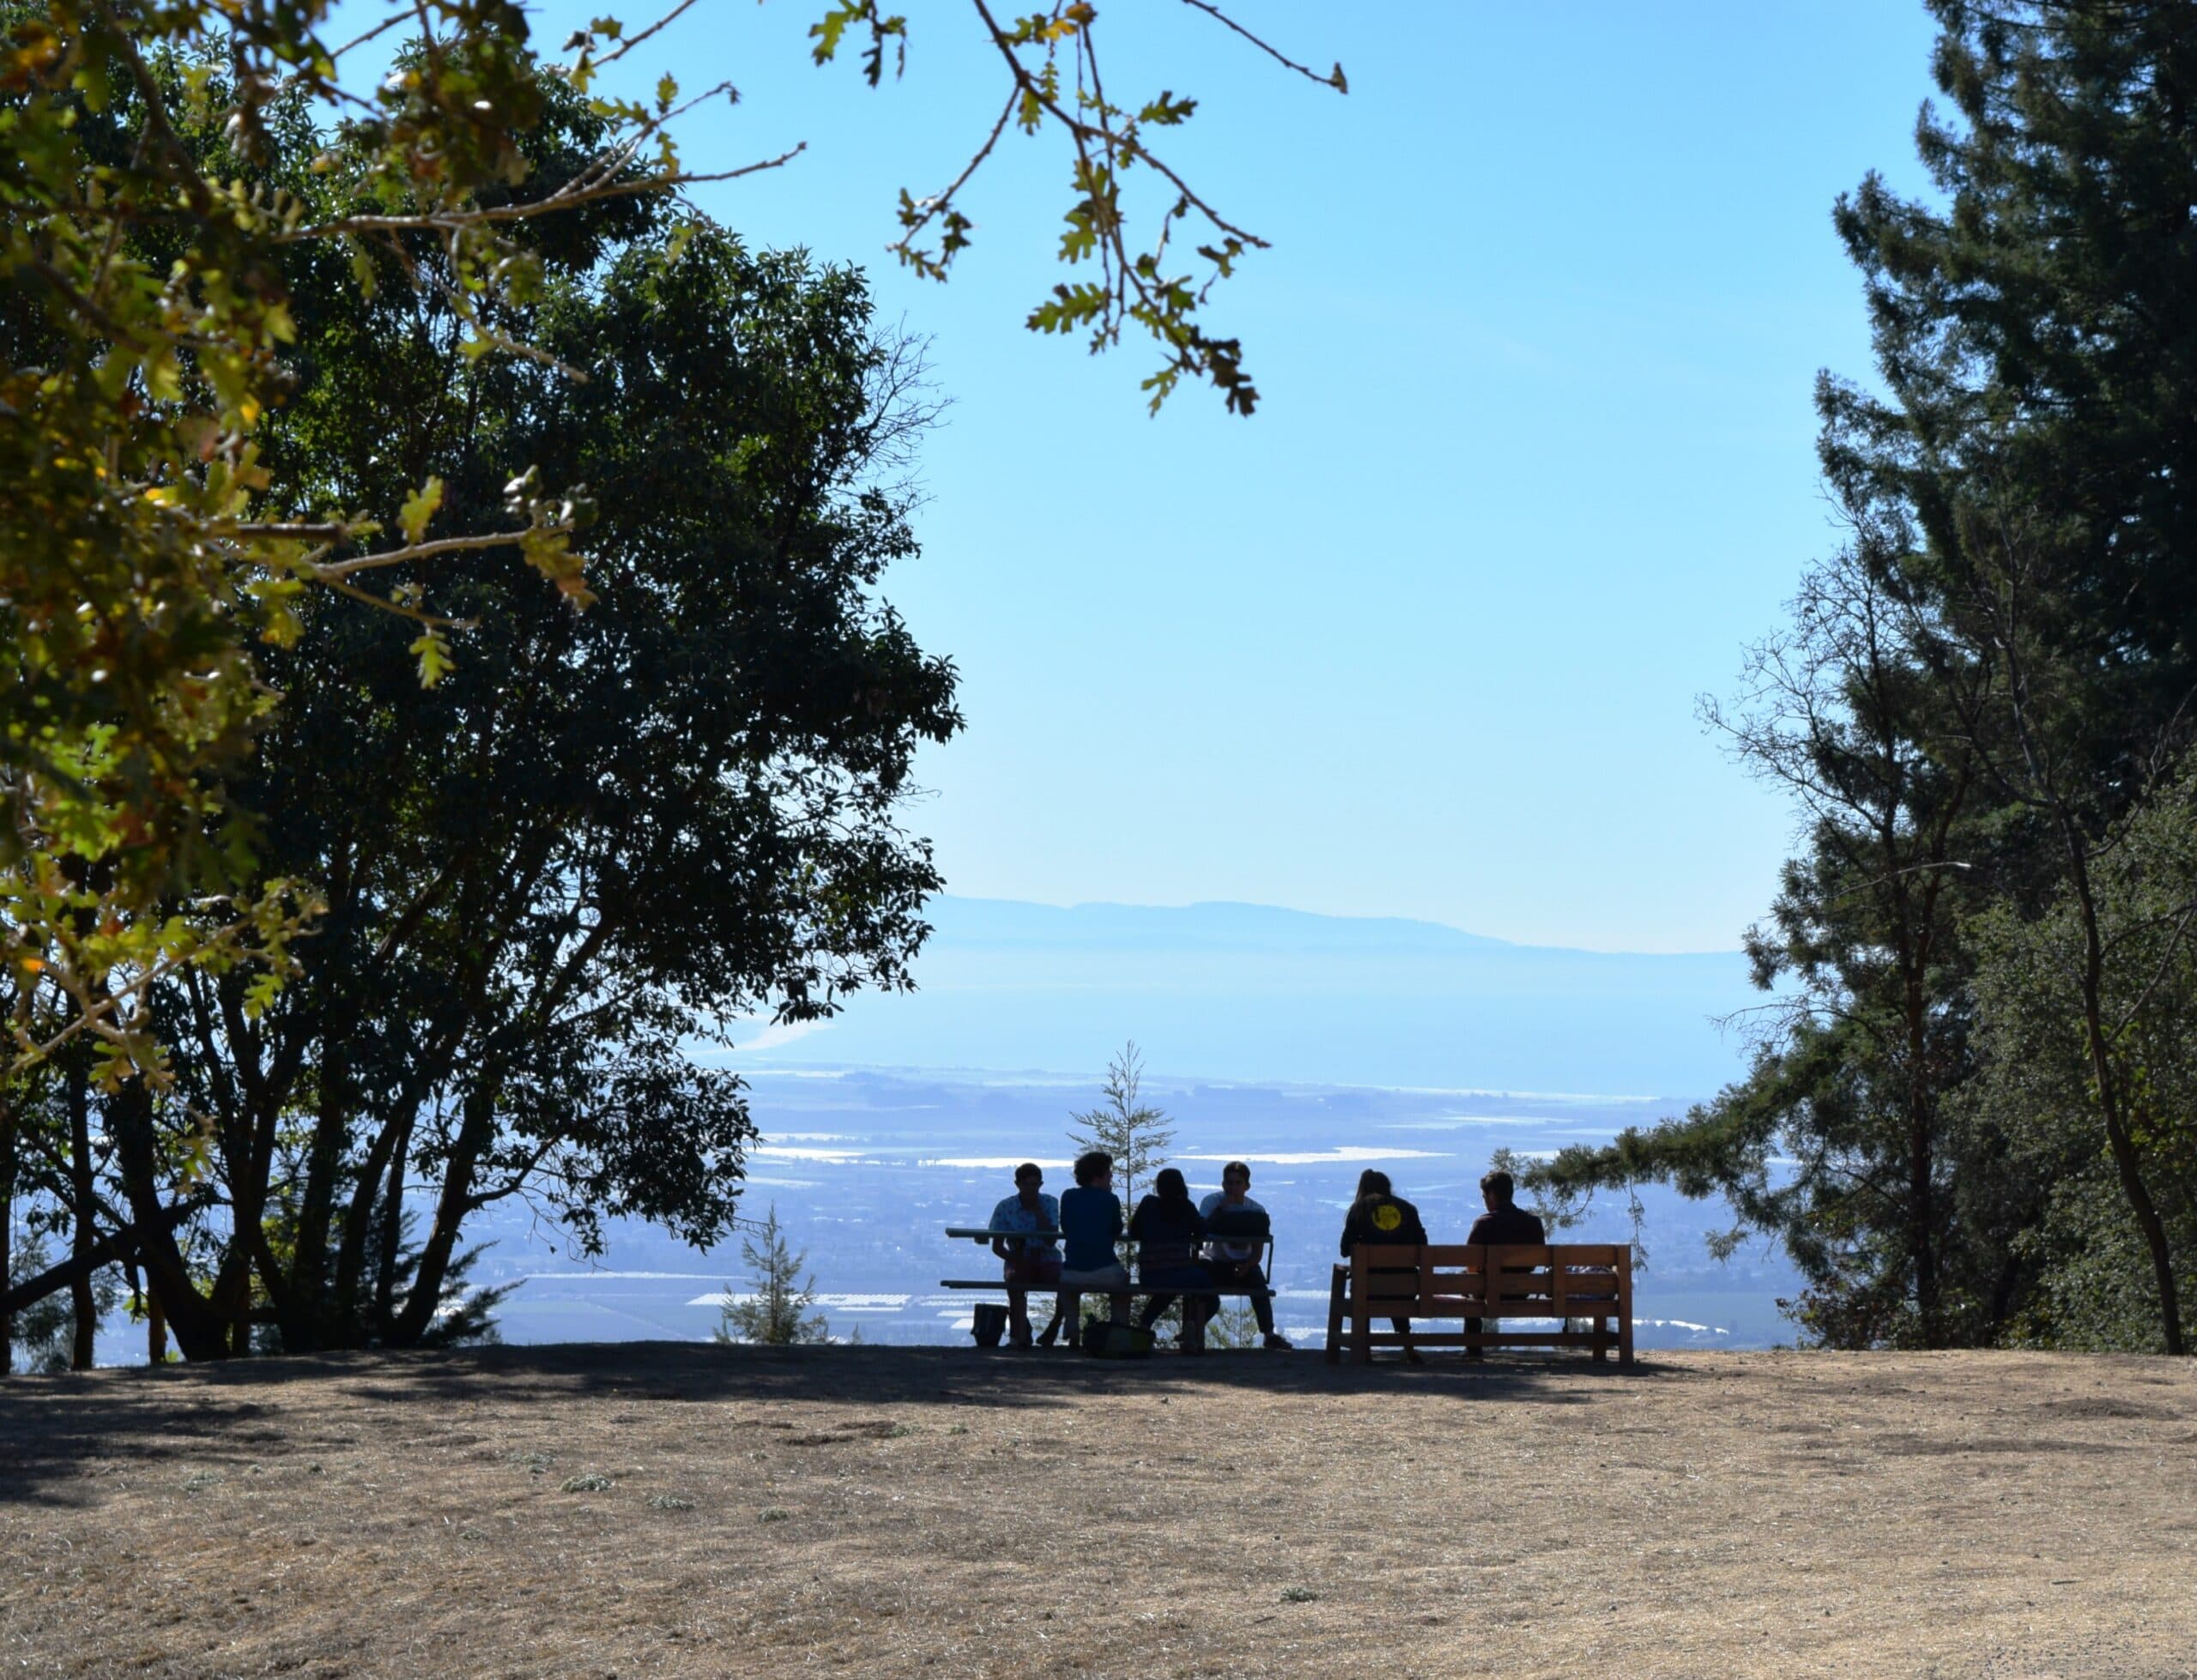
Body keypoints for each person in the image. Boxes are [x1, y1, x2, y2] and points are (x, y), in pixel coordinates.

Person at [1198, 1160, 1291, 1350]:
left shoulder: (1256, 1211)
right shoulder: (1211, 1203)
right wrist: (1221, 1210)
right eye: (1229, 1183)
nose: (1233, 1187)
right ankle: (1194, 1327)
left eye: (1238, 1183)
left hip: (1243, 1262)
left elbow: (1258, 1250)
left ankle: (1269, 1334)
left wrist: (1248, 1265)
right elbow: (1201, 1231)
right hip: (1214, 1261)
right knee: (1204, 1292)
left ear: (1247, 1186)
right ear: (1223, 1184)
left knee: (1260, 1289)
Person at [1338, 1169, 1428, 1363]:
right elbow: (1423, 1246)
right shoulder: (1408, 1209)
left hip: (1369, 1288)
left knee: (1365, 1281)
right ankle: (1409, 1348)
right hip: (1406, 1287)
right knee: (1395, 1281)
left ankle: (1366, 1349)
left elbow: (1345, 1249)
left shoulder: (1359, 1210)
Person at [1464, 1168, 1546, 1356]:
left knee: (1467, 1281)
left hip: (1488, 1291)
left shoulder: (1484, 1223)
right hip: (1522, 1290)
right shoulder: (1533, 1223)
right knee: (1469, 1280)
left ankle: (1473, 1348)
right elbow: (1536, 1262)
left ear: (1492, 1195)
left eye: (1484, 1196)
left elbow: (1470, 1264)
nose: (1484, 1200)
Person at [1130, 1167, 1213, 1351]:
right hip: (1179, 1273)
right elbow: (1202, 1231)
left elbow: (1135, 1231)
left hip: (1149, 1274)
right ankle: (1193, 1328)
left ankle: (1145, 1326)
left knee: (1168, 1288)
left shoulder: (1148, 1204)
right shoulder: (1186, 1207)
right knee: (1206, 1285)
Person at [1054, 1150, 1133, 1339]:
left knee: (1068, 1289)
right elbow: (1116, 1229)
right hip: (1106, 1271)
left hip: (1072, 1271)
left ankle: (1072, 1329)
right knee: (1123, 1285)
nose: (1111, 1176)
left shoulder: (1068, 1197)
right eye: (1108, 1172)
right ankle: (1119, 1329)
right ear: (1097, 1176)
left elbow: (1065, 1226)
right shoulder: (1111, 1200)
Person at [989, 1162, 1060, 1350]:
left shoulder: (1050, 1203)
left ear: (1041, 1185)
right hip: (1018, 1257)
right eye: (1026, 1185)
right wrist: (1014, 1258)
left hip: (1048, 1257)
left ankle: (1054, 1326)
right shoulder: (1006, 1207)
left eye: (1035, 1185)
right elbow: (997, 1246)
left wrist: (1038, 1213)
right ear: (1017, 1184)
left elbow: (1051, 1241)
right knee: (1015, 1282)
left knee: (1067, 1280)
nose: (1031, 1190)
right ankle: (1019, 1334)